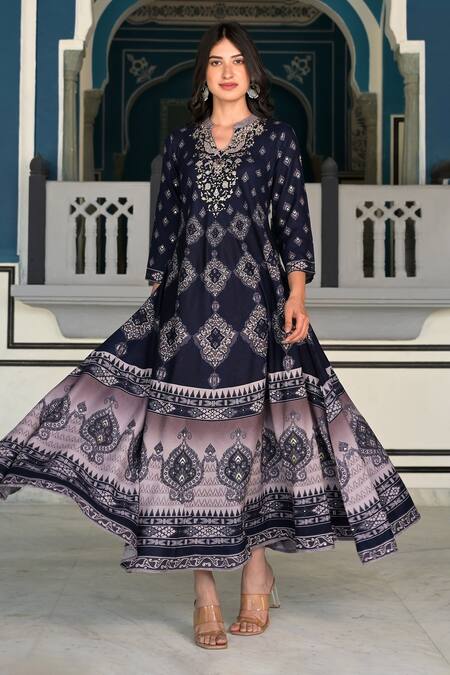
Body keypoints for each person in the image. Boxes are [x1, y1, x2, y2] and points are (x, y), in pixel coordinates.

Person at [0, 21, 421, 650]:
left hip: (258, 304)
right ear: (203, 74)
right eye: (216, 62)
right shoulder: (181, 144)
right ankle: (203, 592)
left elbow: (293, 223)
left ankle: (256, 572)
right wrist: (158, 294)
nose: (227, 72)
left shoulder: (277, 140)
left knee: (255, 435)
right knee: (186, 435)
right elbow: (165, 225)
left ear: (253, 72)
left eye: (237, 61)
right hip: (186, 306)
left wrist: (298, 295)